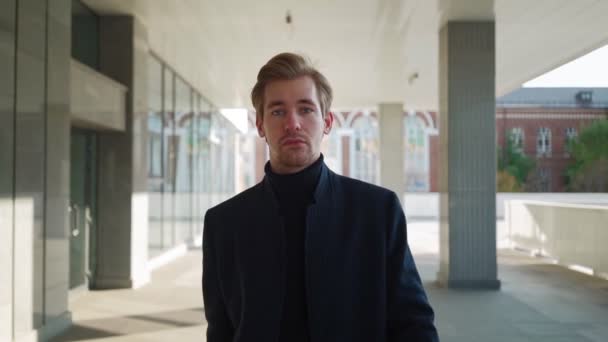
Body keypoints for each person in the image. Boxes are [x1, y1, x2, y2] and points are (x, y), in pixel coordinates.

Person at [202, 52, 439, 342]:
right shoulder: (223, 224)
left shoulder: (377, 212)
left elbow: (414, 324)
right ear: (260, 125)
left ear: (327, 121)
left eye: (305, 109)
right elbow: (220, 331)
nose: (293, 124)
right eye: (278, 111)